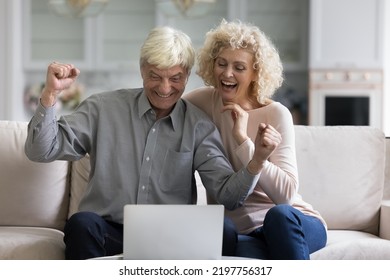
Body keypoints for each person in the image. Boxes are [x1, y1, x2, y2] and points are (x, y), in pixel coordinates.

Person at [24, 26, 268, 260]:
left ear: (186, 76)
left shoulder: (198, 126)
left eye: (175, 78)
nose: (164, 88)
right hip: (109, 232)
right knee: (81, 224)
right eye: (155, 76)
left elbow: (229, 196)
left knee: (223, 230)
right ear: (142, 70)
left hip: (171, 235)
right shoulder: (102, 108)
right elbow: (41, 150)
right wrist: (50, 95)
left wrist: (256, 161)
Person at [184, 19, 327, 260]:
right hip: (244, 234)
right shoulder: (203, 102)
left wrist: (244, 142)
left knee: (278, 216)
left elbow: (287, 196)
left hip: (291, 223)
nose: (227, 74)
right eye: (221, 64)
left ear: (255, 73)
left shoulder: (275, 113)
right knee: (228, 239)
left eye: (239, 67)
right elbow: (165, 106)